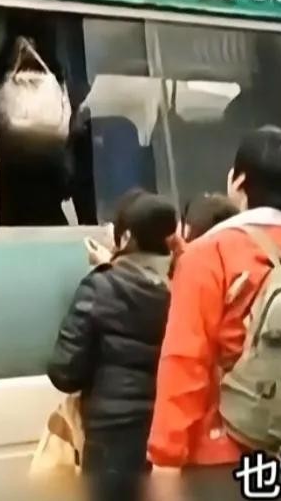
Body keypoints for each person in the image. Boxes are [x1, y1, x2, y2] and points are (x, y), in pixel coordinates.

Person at [147, 126, 281, 500]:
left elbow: (185, 364)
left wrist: (165, 463)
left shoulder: (209, 255)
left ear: (237, 183)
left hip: (220, 457)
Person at [47, 191, 179, 501]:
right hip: (171, 435)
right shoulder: (187, 285)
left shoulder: (100, 287)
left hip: (113, 437)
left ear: (127, 236)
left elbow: (65, 372)